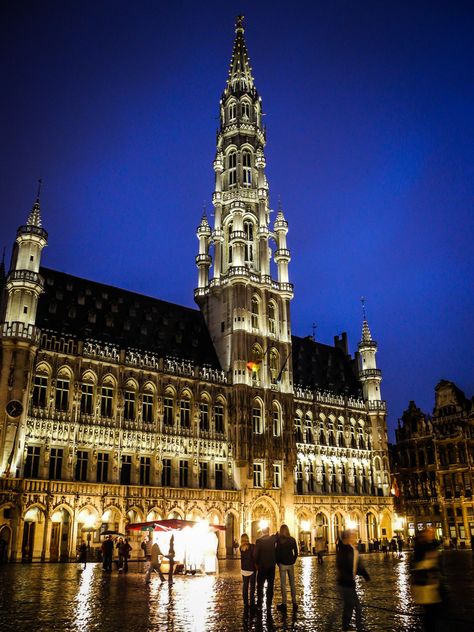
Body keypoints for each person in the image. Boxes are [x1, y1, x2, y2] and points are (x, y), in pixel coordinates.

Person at [336, 529, 370, 632]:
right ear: (347, 538)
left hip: (348, 583)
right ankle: (358, 628)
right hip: (346, 583)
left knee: (349, 606)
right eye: (352, 536)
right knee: (356, 607)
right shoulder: (345, 549)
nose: (355, 537)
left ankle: (345, 626)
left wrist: (365, 575)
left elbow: (357, 566)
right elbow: (342, 565)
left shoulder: (353, 549)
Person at [411, 527, 444, 631]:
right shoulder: (421, 548)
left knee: (432, 612)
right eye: (430, 533)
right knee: (431, 612)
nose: (432, 534)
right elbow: (417, 566)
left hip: (431, 584)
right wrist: (430, 560)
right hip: (425, 585)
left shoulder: (429, 545)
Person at [275, 524, 298, 612]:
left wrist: (278, 563)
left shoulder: (279, 540)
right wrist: (293, 560)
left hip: (282, 564)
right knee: (292, 583)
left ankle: (284, 603)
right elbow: (296, 552)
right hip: (290, 564)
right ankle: (294, 602)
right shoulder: (292, 539)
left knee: (283, 585)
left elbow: (276, 553)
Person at [254, 526, 277, 612]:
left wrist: (256, 563)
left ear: (262, 532)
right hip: (271, 566)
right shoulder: (273, 539)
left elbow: (255, 554)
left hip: (262, 567)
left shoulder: (259, 541)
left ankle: (259, 603)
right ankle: (269, 603)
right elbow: (277, 536)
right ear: (268, 531)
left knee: (260, 586)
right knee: (270, 585)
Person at [239, 533, 256, 610]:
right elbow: (254, 556)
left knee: (245, 587)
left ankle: (246, 603)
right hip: (252, 569)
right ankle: (252, 602)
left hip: (244, 569)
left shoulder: (241, 548)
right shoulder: (252, 546)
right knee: (252, 587)